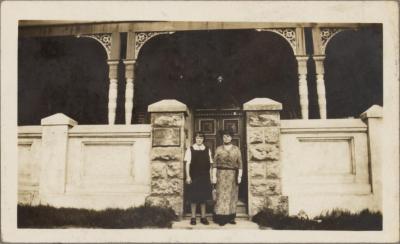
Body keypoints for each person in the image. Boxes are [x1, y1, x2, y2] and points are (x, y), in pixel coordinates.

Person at [212, 129, 243, 226]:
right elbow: (214, 163)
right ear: (222, 138)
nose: (226, 138)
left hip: (232, 175)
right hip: (220, 174)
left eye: (228, 136)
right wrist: (214, 176)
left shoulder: (236, 149)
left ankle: (231, 217)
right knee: (221, 196)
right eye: (224, 136)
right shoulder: (218, 149)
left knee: (232, 195)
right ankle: (220, 218)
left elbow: (240, 163)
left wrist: (239, 176)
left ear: (231, 137)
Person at [184, 132, 213, 225]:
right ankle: (193, 217)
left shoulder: (207, 149)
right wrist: (188, 176)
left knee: (203, 198)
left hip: (205, 176)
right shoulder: (190, 149)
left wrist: (211, 176)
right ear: (195, 139)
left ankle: (203, 217)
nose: (199, 140)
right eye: (197, 138)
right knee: (194, 197)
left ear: (203, 139)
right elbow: (187, 164)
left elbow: (211, 165)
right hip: (194, 176)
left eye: (201, 138)